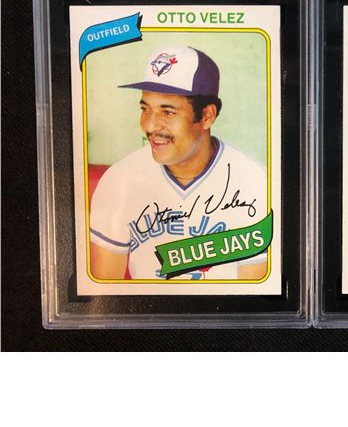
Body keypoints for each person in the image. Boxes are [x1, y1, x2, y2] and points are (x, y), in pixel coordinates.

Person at [89, 46, 268, 281]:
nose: (150, 126)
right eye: (145, 109)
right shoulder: (120, 179)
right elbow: (104, 291)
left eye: (168, 112)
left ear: (207, 116)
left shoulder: (254, 181)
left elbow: (254, 294)